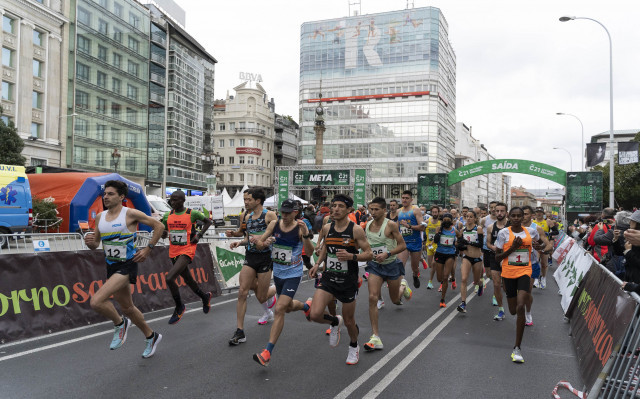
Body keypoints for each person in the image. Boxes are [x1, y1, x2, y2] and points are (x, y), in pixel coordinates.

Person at [84, 180, 164, 358]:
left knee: (96, 302)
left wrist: (148, 249)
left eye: (110, 194)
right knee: (128, 307)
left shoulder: (130, 214)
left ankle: (120, 324)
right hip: (111, 265)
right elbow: (96, 244)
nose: (106, 197)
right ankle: (151, 336)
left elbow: (159, 226)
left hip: (127, 265)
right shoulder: (100, 217)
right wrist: (90, 243)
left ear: (121, 197)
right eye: (104, 194)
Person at [308, 194, 373, 365]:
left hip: (348, 281)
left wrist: (352, 256)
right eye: (334, 205)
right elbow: (326, 248)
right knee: (314, 314)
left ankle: (353, 346)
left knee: (350, 321)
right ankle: (335, 321)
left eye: (340, 206)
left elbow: (369, 254)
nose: (335, 209)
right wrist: (318, 264)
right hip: (329, 277)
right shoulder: (327, 227)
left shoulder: (355, 229)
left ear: (349, 210)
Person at [252, 200, 315, 366]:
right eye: (283, 212)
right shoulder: (274, 224)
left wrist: (306, 234)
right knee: (286, 307)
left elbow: (309, 252)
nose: (285, 216)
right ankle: (306, 307)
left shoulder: (300, 228)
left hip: (293, 274)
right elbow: (259, 245)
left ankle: (267, 352)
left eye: (288, 213)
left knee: (279, 308)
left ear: (295, 212)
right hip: (278, 273)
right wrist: (262, 243)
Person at [495, 207, 552, 363]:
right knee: (513, 310)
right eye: (513, 216)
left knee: (521, 306)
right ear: (509, 217)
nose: (516, 218)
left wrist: (541, 248)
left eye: (519, 216)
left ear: (523, 218)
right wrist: (512, 248)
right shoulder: (503, 233)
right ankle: (517, 315)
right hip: (508, 273)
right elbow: (497, 257)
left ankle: (517, 348)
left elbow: (541, 244)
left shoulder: (531, 232)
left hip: (524, 272)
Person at [226, 188, 278, 345]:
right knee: (242, 292)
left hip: (265, 258)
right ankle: (240, 331)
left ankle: (277, 288)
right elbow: (248, 237)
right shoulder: (246, 216)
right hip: (250, 257)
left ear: (258, 201)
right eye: (244, 199)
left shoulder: (269, 215)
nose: (245, 202)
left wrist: (268, 241)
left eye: (248, 199)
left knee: (262, 296)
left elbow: (277, 235)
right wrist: (239, 242)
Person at [363, 197, 410, 351]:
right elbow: (367, 246)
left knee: (395, 299)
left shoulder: (390, 225)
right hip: (375, 266)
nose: (373, 212)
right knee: (372, 297)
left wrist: (388, 253)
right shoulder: (368, 224)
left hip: (391, 265)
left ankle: (403, 286)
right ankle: (375, 337)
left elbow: (402, 245)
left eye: (376, 209)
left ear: (384, 210)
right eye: (371, 209)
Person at [161, 190, 213, 324]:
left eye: (176, 200)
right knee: (188, 279)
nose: (173, 202)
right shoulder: (168, 215)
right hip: (174, 250)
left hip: (187, 249)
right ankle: (204, 296)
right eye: (171, 200)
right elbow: (164, 230)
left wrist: (199, 236)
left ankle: (179, 306)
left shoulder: (192, 213)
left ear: (183, 200)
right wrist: (163, 232)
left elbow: (208, 222)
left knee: (169, 277)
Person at [456, 210, 484, 313]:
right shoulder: (463, 230)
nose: (468, 218)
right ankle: (463, 303)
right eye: (467, 216)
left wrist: (467, 242)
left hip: (477, 258)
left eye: (471, 217)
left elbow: (480, 245)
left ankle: (480, 284)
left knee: (476, 281)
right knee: (464, 279)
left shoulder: (479, 229)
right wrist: (460, 245)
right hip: (467, 257)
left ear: (475, 218)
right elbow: (461, 245)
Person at [397, 190, 425, 288]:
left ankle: (415, 275)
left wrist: (409, 226)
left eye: (407, 198)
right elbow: (397, 228)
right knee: (400, 265)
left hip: (415, 242)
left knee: (415, 267)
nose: (404, 200)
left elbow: (422, 227)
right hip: (403, 243)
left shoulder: (415, 210)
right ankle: (401, 288)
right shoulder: (398, 211)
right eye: (403, 198)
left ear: (411, 199)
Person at [485, 202, 509, 320]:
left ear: (506, 212)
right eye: (497, 211)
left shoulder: (511, 227)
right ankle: (501, 309)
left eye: (502, 211)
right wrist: (494, 248)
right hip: (494, 257)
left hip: (509, 258)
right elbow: (488, 243)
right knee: (496, 283)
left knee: (506, 287)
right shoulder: (491, 227)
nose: (499, 213)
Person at [433, 213, 457, 307]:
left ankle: (442, 299)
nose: (446, 221)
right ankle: (443, 283)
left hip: (450, 254)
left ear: (451, 221)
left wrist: (460, 243)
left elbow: (459, 237)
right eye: (444, 220)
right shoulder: (439, 229)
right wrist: (439, 233)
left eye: (448, 220)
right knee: (440, 278)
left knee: (446, 276)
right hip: (440, 253)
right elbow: (435, 241)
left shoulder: (454, 230)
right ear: (442, 221)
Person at [426, 205, 441, 289]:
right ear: (431, 212)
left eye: (436, 212)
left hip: (437, 245)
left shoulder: (440, 222)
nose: (434, 213)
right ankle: (440, 269)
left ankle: (430, 282)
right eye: (433, 212)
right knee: (430, 265)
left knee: (434, 263)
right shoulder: (427, 221)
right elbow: (421, 226)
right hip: (429, 246)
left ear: (438, 213)